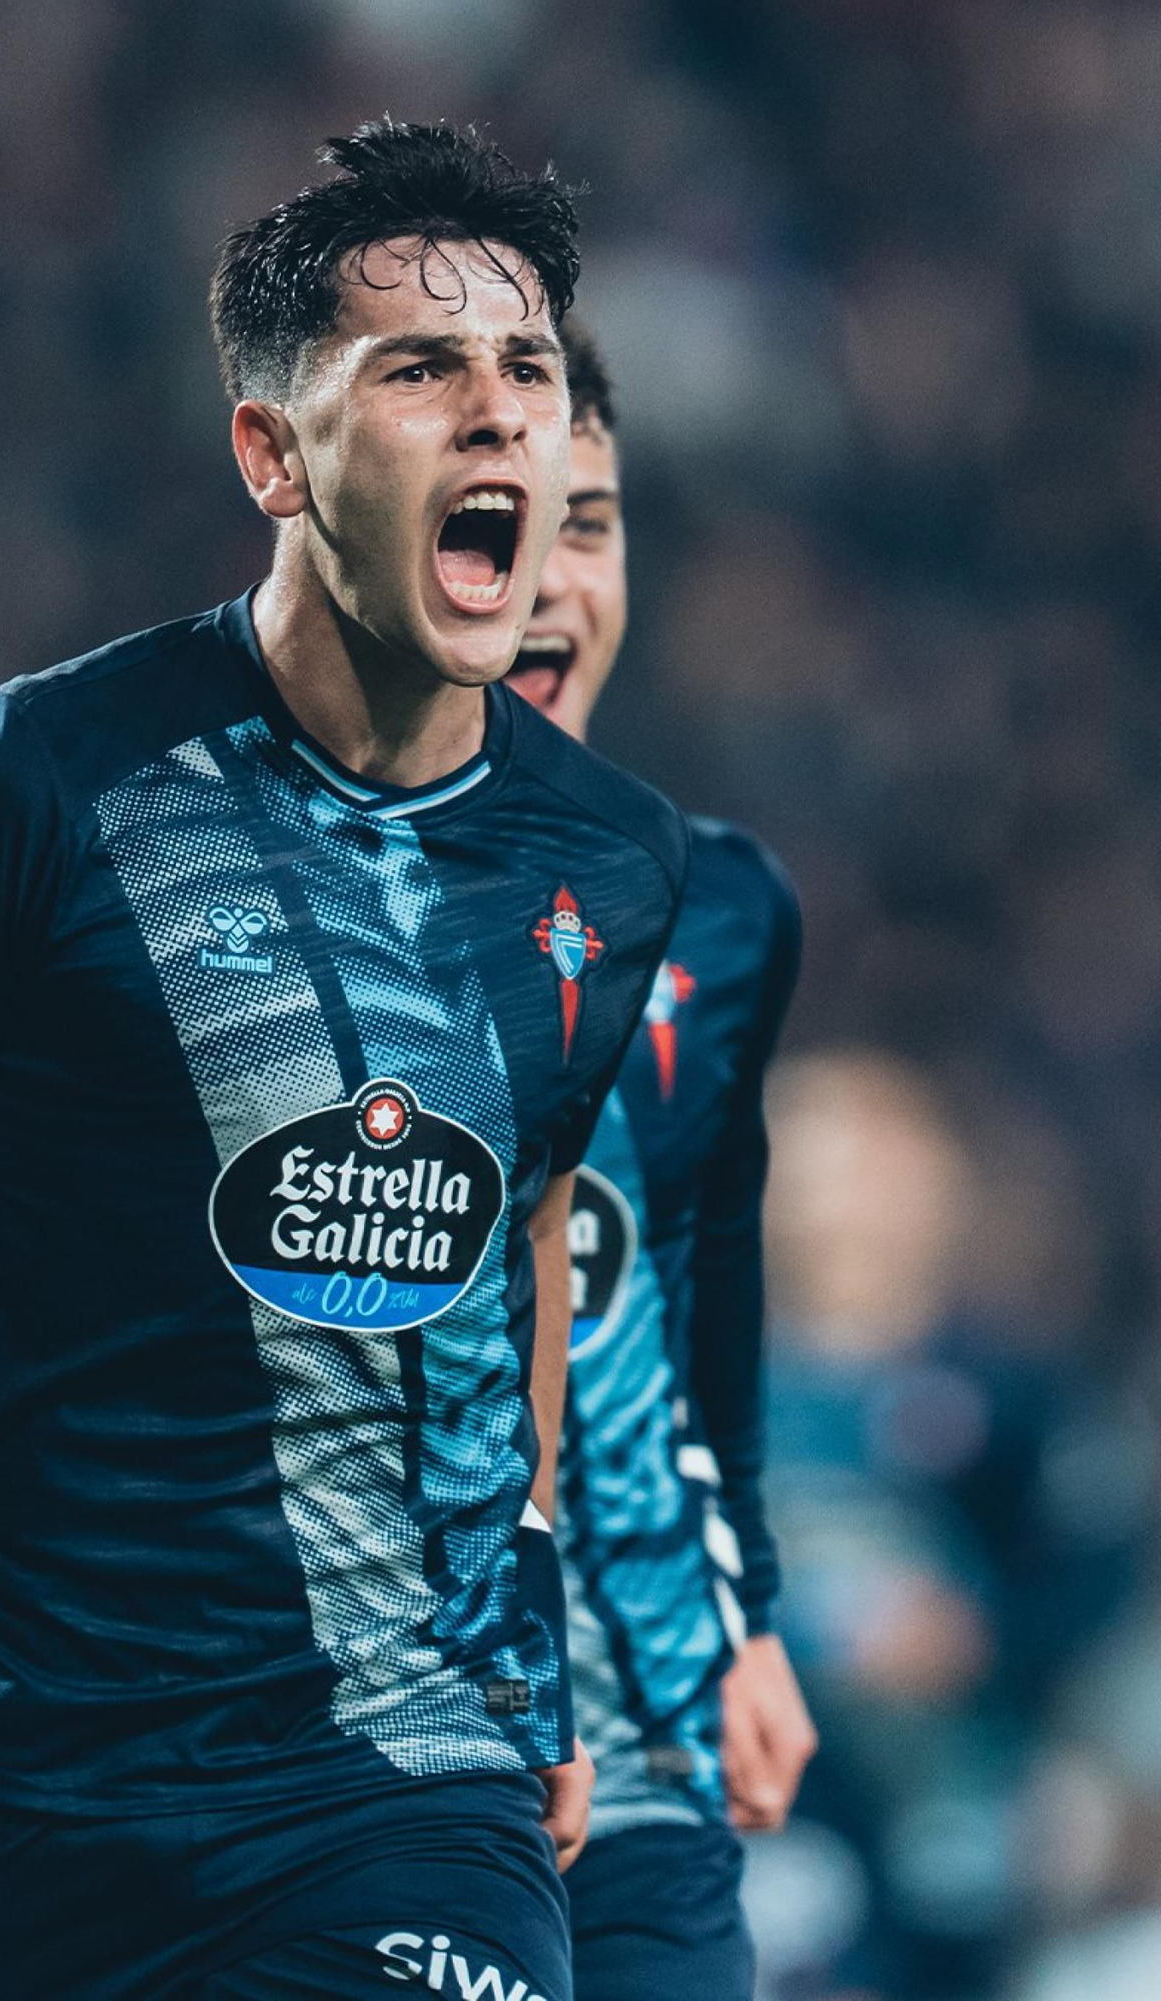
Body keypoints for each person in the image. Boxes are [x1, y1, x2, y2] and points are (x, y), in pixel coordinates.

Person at [0, 122, 690, 2001]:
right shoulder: (31, 790)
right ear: (273, 454)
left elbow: (523, 1219)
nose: (496, 417)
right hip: (22, 1770)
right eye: (420, 369)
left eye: (527, 373)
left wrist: (523, 1595)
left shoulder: (610, 867)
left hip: (397, 1773)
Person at [506, 324, 817, 2000]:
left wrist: (750, 1608)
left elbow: (707, 1297)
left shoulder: (725, 911)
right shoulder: (241, 895)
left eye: (595, 522)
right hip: (342, 1762)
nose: (553, 581)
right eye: (508, 521)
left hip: (643, 1738)